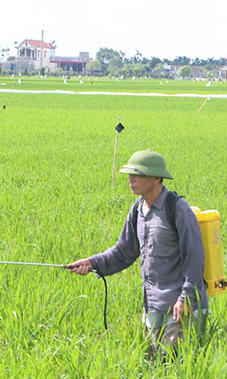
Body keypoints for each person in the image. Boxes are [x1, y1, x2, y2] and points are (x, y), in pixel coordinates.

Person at [67, 150, 208, 355]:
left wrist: (187, 298)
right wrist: (92, 263)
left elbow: (195, 258)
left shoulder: (177, 209)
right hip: (153, 307)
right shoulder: (138, 210)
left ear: (156, 178)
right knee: (153, 369)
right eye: (129, 174)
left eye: (138, 174)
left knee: (177, 372)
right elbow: (123, 252)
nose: (131, 179)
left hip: (180, 309)